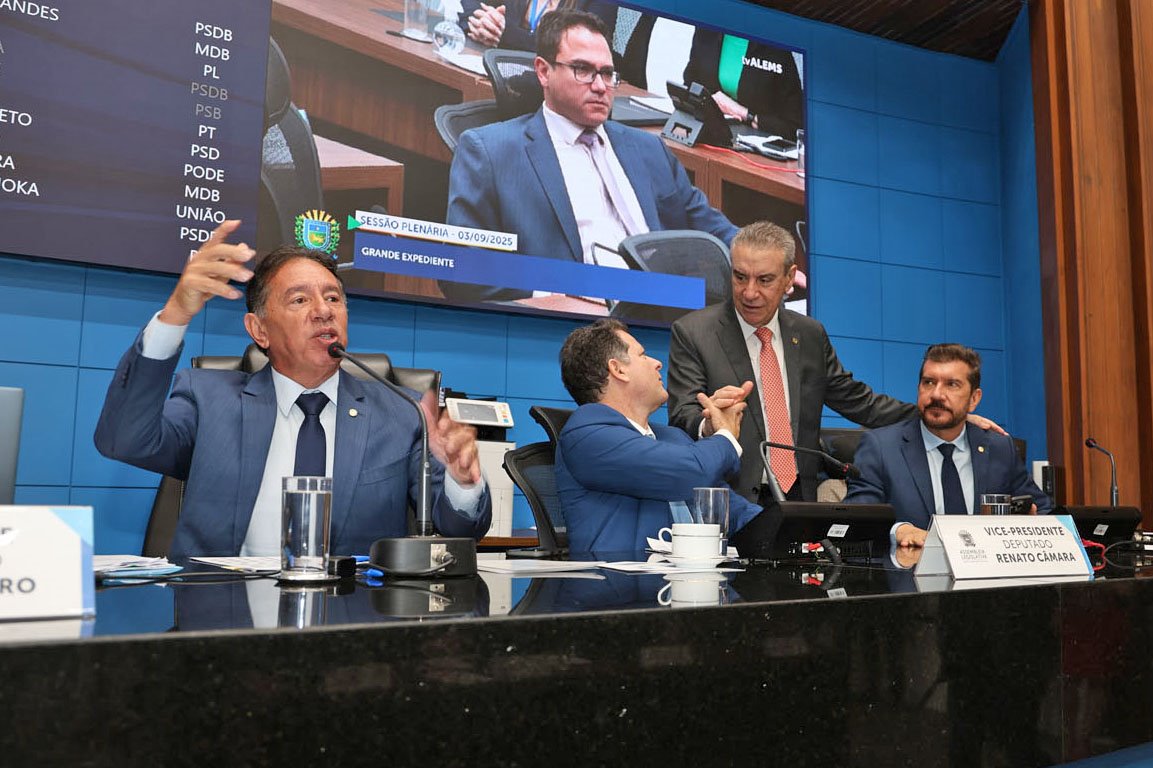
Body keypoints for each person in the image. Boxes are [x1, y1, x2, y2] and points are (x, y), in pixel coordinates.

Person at [95, 220, 491, 558]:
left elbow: (459, 528)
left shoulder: (401, 414)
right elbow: (124, 440)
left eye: (333, 298)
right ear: (259, 330)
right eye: (300, 299)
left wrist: (464, 481)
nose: (324, 310)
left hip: (352, 613)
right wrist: (176, 314)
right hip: (222, 611)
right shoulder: (208, 399)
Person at [666, 221, 1005, 505]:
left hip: (799, 497)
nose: (749, 292)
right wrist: (711, 424)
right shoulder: (694, 332)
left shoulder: (809, 334)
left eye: (764, 280)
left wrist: (939, 416)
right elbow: (682, 413)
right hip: (730, 496)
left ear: (790, 278)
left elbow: (860, 402)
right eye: (740, 277)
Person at [444, 9, 736, 302]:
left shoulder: (649, 149)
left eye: (607, 74)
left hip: (662, 309)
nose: (599, 86)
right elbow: (463, 271)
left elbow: (711, 227)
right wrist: (558, 296)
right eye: (582, 70)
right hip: (577, 315)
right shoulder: (490, 153)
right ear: (543, 71)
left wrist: (757, 253)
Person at [554, 318, 764, 553]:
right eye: (643, 355)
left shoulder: (673, 438)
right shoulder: (587, 434)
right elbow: (691, 472)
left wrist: (784, 528)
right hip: (615, 575)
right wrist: (725, 434)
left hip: (688, 574)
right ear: (618, 369)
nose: (657, 363)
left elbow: (733, 511)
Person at [844, 343, 1051, 547]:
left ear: (974, 399)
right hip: (910, 568)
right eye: (928, 382)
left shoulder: (1000, 449)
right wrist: (898, 531)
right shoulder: (881, 448)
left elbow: (1043, 511)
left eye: (952, 384)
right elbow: (854, 522)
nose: (936, 394)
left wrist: (1026, 526)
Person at [458, 0, 615, 51]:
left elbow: (572, 47)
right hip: (493, 70)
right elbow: (470, 5)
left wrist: (505, 34)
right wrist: (482, 23)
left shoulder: (600, 3)